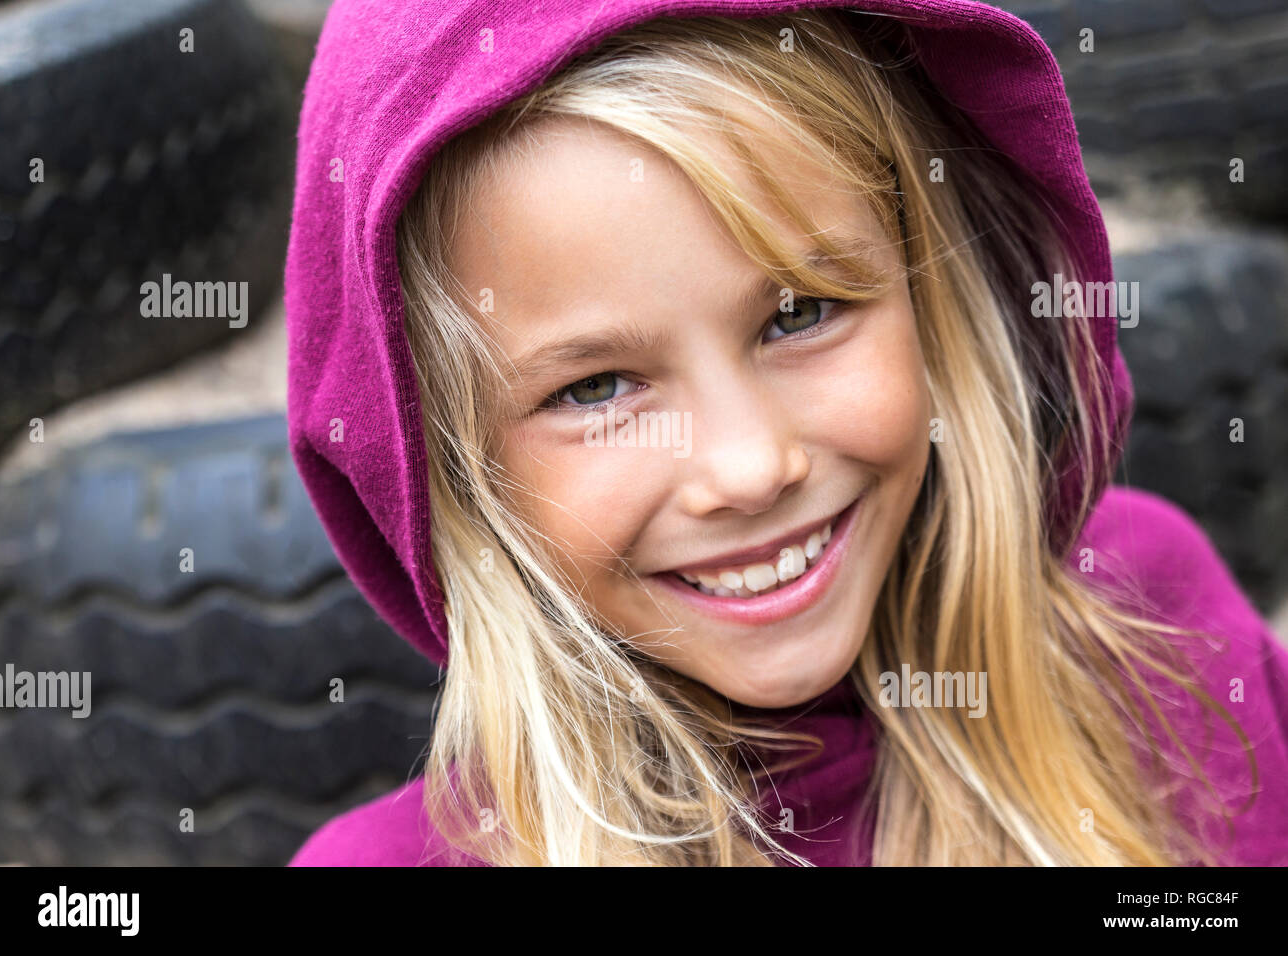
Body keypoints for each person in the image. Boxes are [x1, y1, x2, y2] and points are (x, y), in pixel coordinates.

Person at [283, 0, 1288, 866]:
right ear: (447, 465)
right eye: (595, 386)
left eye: (799, 314)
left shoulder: (1158, 631)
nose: (751, 466)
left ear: (932, 289)